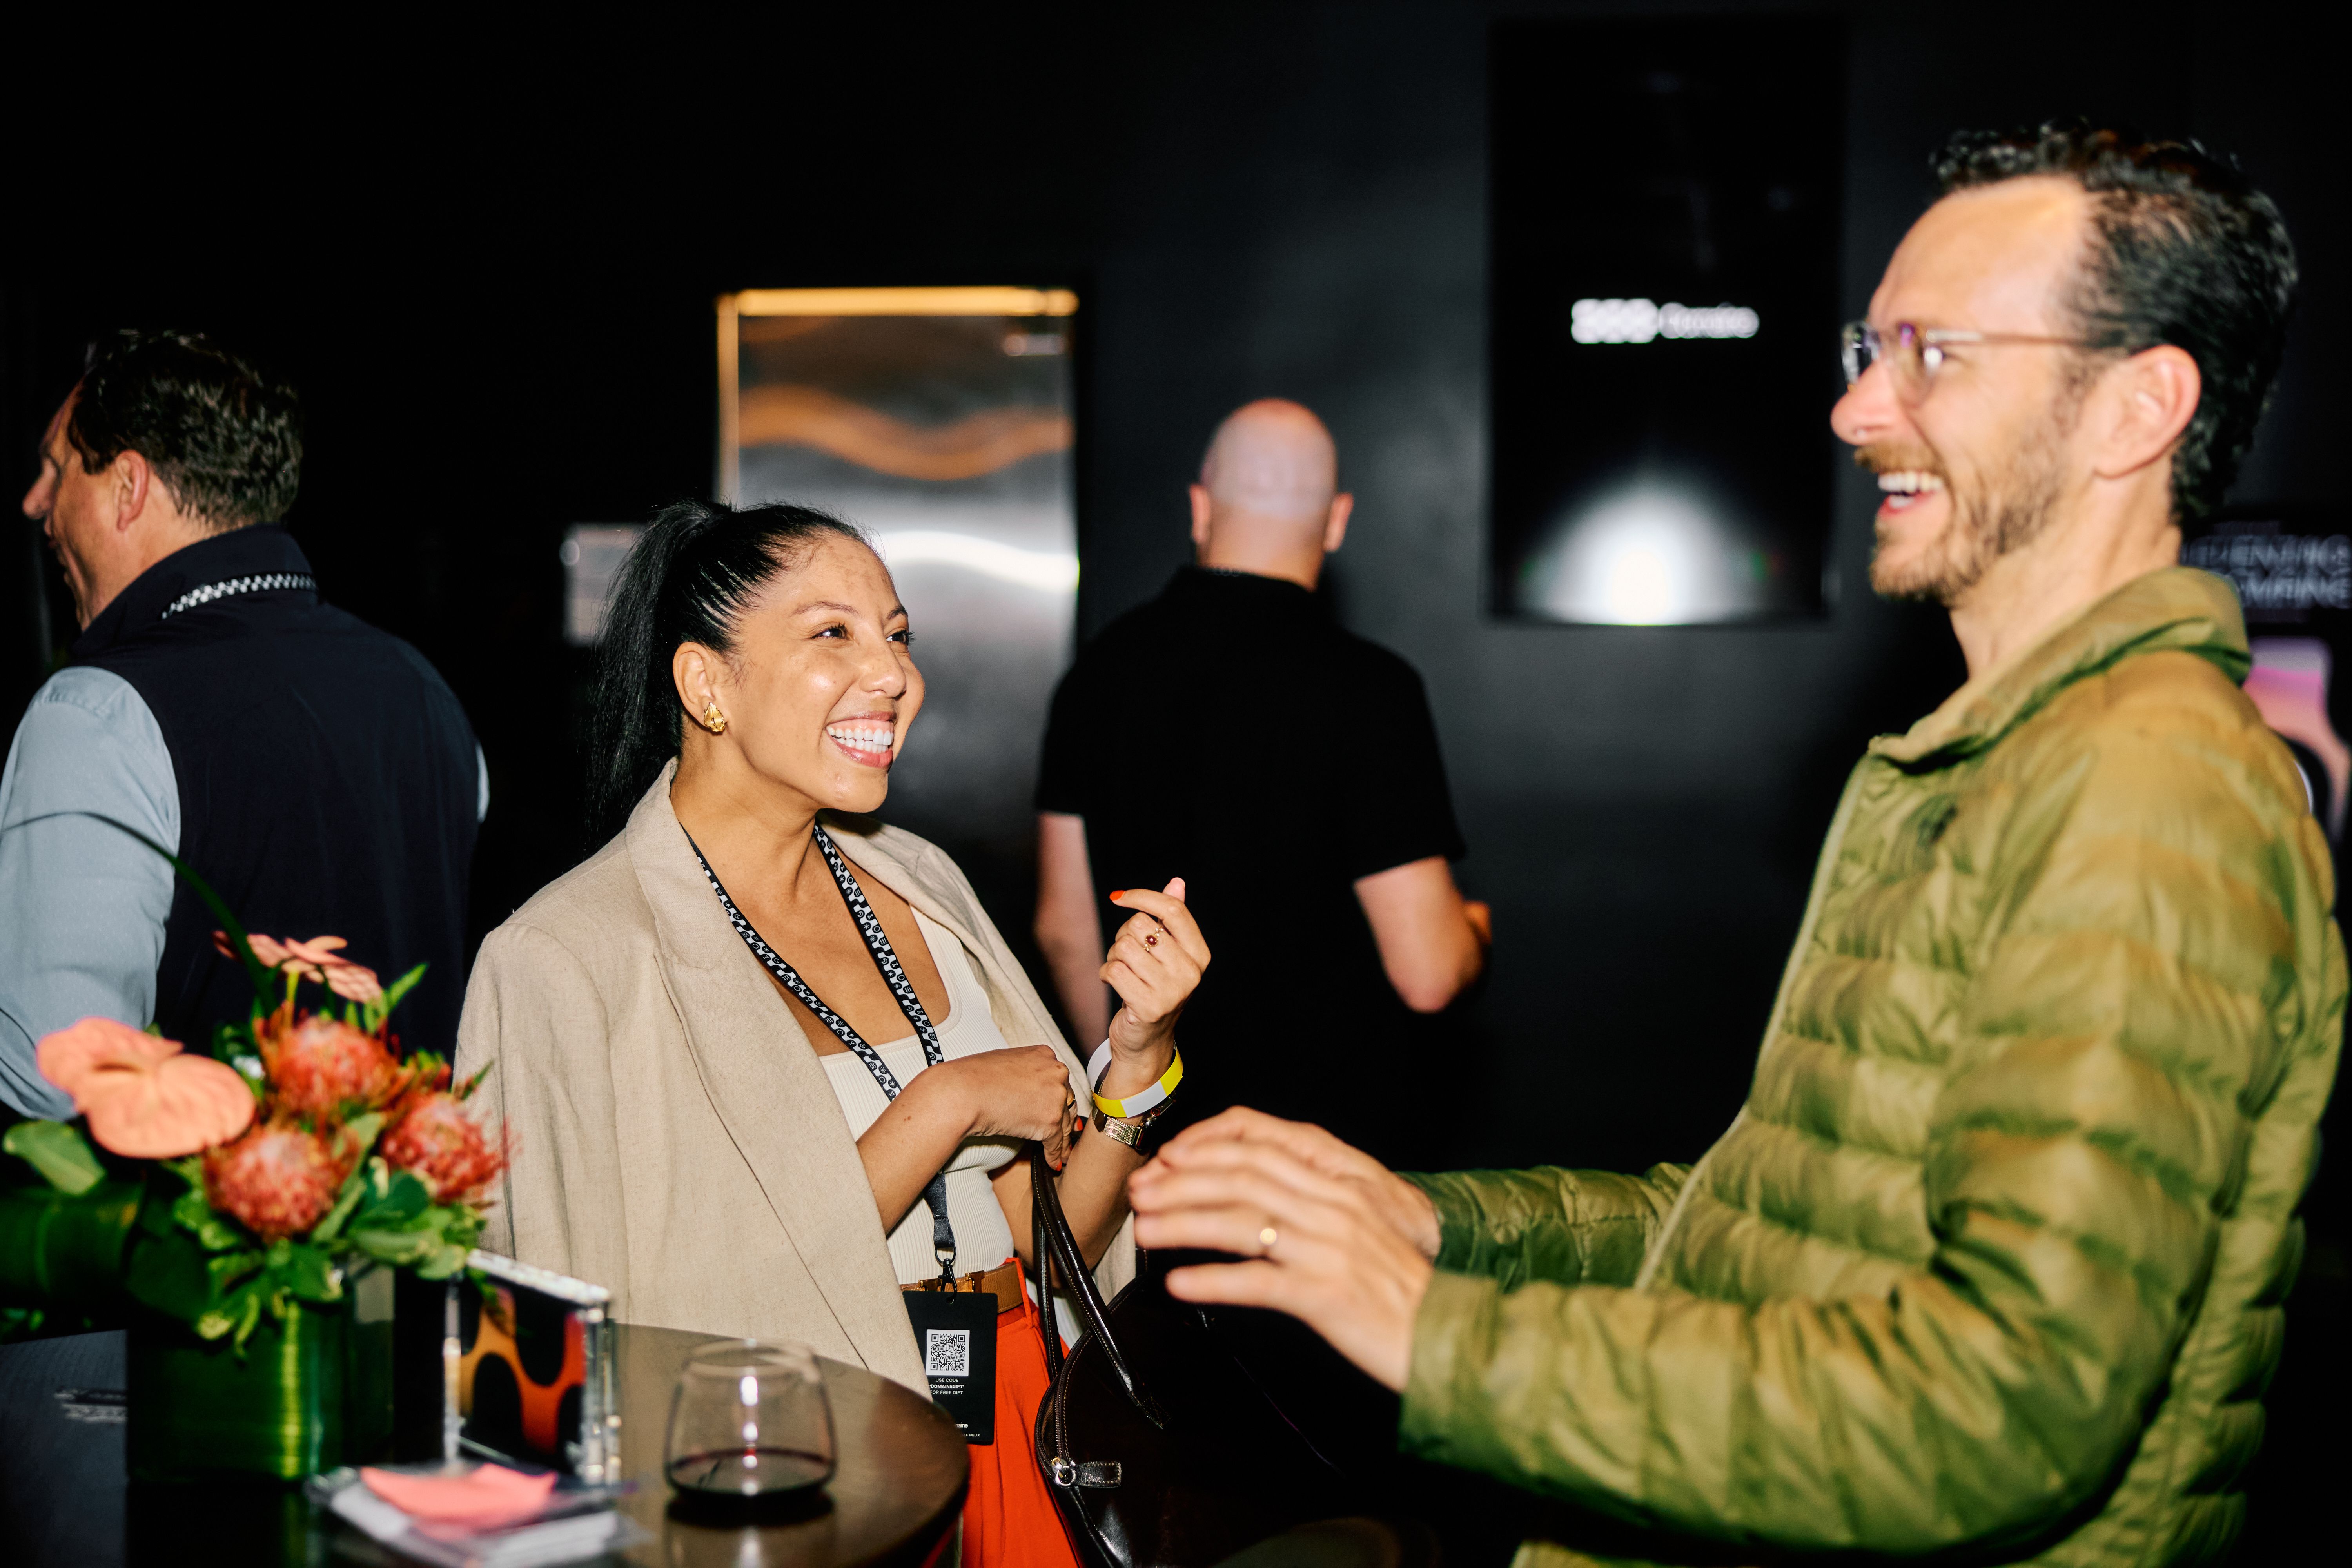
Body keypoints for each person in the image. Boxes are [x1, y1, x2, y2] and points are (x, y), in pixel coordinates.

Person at [1127, 123, 2340, 1566]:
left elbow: (1999, 1409)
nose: (1857, 412)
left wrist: (1432, 1331)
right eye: (1867, 348)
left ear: (2137, 409)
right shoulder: (2003, 759)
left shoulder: (2147, 788)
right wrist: (1432, 1230)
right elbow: (1744, 1239)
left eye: (1934, 354)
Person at [461, 499, 1206, 1568]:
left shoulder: (922, 887)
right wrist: (942, 1106)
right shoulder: (565, 960)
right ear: (706, 686)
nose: (893, 674)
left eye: (897, 634)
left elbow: (1054, 1258)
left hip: (1016, 1427)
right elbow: (624, 1333)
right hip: (788, 1458)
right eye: (833, 635)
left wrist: (1136, 1063)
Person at [2, 331, 482, 1119]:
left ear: (127, 486)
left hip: (205, 1234)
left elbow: (50, 1074)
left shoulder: (95, 715)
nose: (35, 501)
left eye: (58, 469)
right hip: (407, 1224)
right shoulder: (425, 690)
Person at [1034, 399, 1488, 1164]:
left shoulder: (1101, 671)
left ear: (1200, 507)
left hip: (1157, 1157)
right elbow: (1431, 974)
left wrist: (1126, 1097)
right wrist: (1474, 931)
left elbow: (1064, 926)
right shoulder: (1372, 688)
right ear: (1337, 520)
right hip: (1324, 1166)